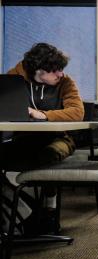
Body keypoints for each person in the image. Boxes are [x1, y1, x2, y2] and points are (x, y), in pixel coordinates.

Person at [1, 42, 84, 218]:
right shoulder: (13, 78)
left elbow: (77, 112)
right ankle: (24, 211)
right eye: (56, 70)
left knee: (47, 155)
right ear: (39, 69)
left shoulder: (66, 82)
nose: (61, 74)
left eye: (61, 69)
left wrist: (43, 115)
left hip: (59, 138)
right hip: (24, 139)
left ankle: (48, 206)